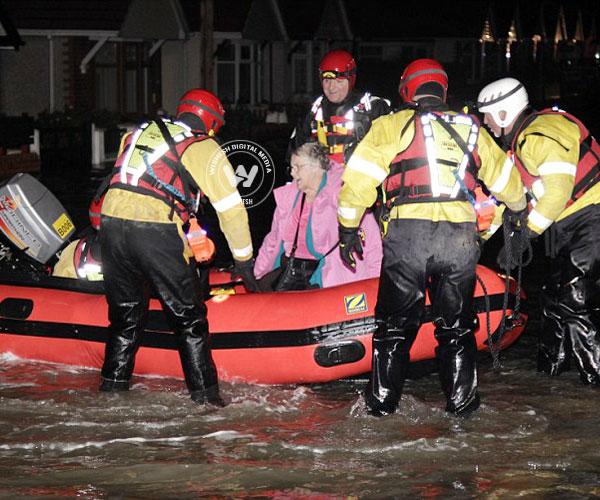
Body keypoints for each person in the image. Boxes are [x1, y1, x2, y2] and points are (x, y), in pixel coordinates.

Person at [337, 59, 527, 417]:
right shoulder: (472, 127)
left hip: (409, 238)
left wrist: (348, 228)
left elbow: (358, 182)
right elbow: (508, 182)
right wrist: (517, 211)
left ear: (407, 89)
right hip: (459, 241)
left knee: (393, 329)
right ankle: (463, 409)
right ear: (442, 89)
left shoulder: (391, 125)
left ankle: (380, 410)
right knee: (456, 329)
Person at [98, 89, 258, 405]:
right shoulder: (203, 146)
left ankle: (111, 395)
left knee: (125, 318)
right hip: (153, 230)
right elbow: (231, 209)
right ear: (212, 123)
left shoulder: (136, 134)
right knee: (189, 320)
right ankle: (208, 404)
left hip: (111, 226)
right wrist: (244, 262)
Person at [477, 77, 600, 385]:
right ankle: (550, 380)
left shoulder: (542, 132)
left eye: (488, 116)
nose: (486, 124)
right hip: (568, 224)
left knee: (574, 299)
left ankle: (594, 382)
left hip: (592, 217)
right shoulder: (517, 149)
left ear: (504, 113)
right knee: (552, 300)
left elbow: (558, 192)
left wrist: (523, 237)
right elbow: (507, 202)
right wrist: (476, 242)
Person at [255, 141, 382, 290]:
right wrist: (255, 273)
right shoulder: (288, 197)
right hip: (291, 274)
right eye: (292, 167)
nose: (292, 173)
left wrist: (375, 284)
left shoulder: (345, 195)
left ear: (316, 167)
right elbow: (273, 239)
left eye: (298, 167)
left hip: (333, 280)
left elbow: (371, 243)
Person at [289, 49, 391, 166]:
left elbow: (391, 150)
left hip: (359, 180)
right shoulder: (313, 112)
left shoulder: (373, 108)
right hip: (322, 181)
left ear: (351, 80)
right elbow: (294, 153)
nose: (332, 88)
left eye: (339, 81)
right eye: (327, 81)